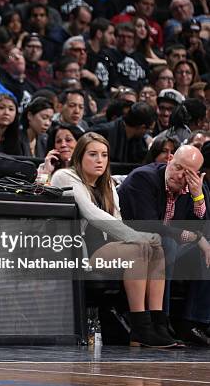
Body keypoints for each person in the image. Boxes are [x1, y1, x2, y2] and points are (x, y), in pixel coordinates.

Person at [51, 133, 177, 348]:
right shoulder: (65, 176)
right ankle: (140, 326)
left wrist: (139, 239)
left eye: (104, 155)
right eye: (93, 154)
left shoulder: (107, 183)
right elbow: (93, 215)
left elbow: (117, 219)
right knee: (139, 249)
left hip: (108, 247)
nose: (100, 160)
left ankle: (158, 323)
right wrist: (137, 237)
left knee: (157, 249)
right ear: (80, 156)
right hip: (80, 253)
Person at [118, 146, 210, 346]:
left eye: (187, 173)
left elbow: (200, 227)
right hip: (131, 242)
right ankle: (159, 321)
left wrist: (198, 197)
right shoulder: (143, 178)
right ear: (169, 159)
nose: (179, 176)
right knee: (165, 243)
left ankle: (195, 321)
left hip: (166, 244)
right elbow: (149, 224)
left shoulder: (193, 189)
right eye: (177, 167)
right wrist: (194, 237)